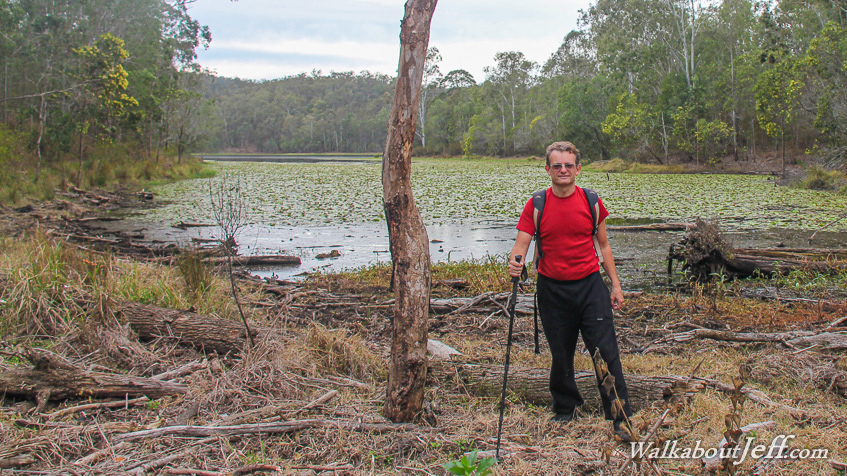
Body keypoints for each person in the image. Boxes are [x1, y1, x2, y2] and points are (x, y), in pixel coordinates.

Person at [508, 141, 633, 441]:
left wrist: (615, 286)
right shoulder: (536, 204)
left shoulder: (591, 201)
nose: (562, 170)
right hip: (552, 289)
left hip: (590, 287)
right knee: (560, 354)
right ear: (548, 169)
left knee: (606, 353)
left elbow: (603, 245)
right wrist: (515, 263)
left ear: (578, 168)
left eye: (568, 165)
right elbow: (521, 244)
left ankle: (620, 417)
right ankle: (566, 408)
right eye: (556, 166)